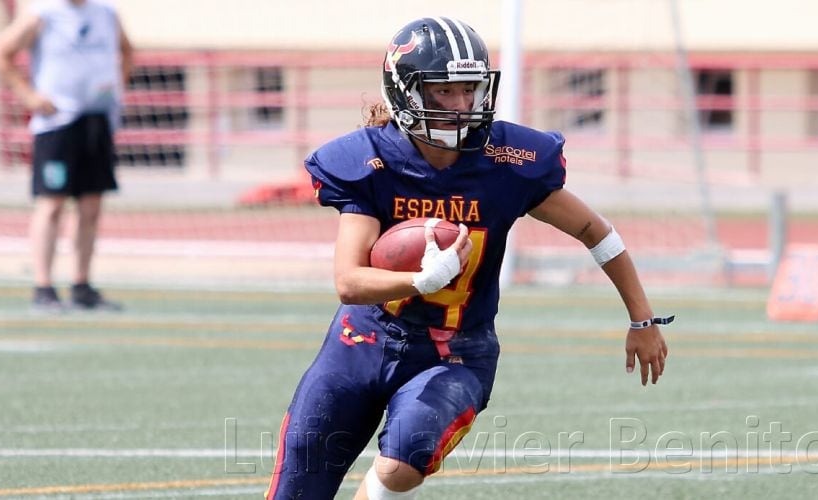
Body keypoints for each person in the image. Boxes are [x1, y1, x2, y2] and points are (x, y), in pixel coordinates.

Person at [266, 17, 671, 500]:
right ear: (406, 92)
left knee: (404, 460)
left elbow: (596, 232)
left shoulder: (508, 160)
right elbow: (349, 282)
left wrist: (642, 319)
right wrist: (420, 279)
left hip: (454, 352)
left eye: (469, 90)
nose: (460, 106)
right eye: (443, 92)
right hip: (360, 342)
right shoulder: (371, 161)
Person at [0, 0, 132, 311]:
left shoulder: (106, 12)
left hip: (96, 118)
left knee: (91, 206)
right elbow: (0, 52)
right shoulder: (43, 12)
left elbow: (127, 50)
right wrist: (28, 95)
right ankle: (43, 287)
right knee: (51, 203)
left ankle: (82, 286)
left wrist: (116, 86)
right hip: (57, 122)